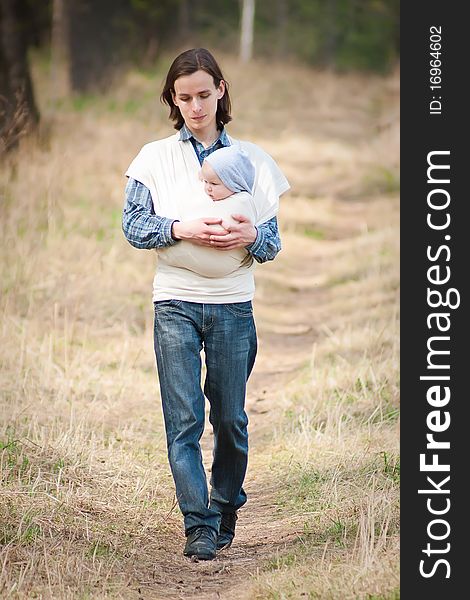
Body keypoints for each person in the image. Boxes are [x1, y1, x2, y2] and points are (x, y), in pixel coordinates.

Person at [122, 48, 290, 561]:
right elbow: (133, 226)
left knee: (232, 420)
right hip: (174, 301)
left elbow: (273, 243)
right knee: (184, 421)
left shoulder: (253, 160)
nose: (195, 106)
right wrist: (180, 228)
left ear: (220, 89)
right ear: (173, 100)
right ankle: (198, 525)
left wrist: (250, 233)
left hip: (232, 306)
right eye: (184, 97)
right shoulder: (153, 157)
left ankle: (225, 505)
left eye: (203, 94)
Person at [160, 144, 259, 278]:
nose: (207, 188)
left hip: (227, 286)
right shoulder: (206, 196)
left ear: (235, 183)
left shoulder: (242, 201)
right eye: (205, 182)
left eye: (214, 184)